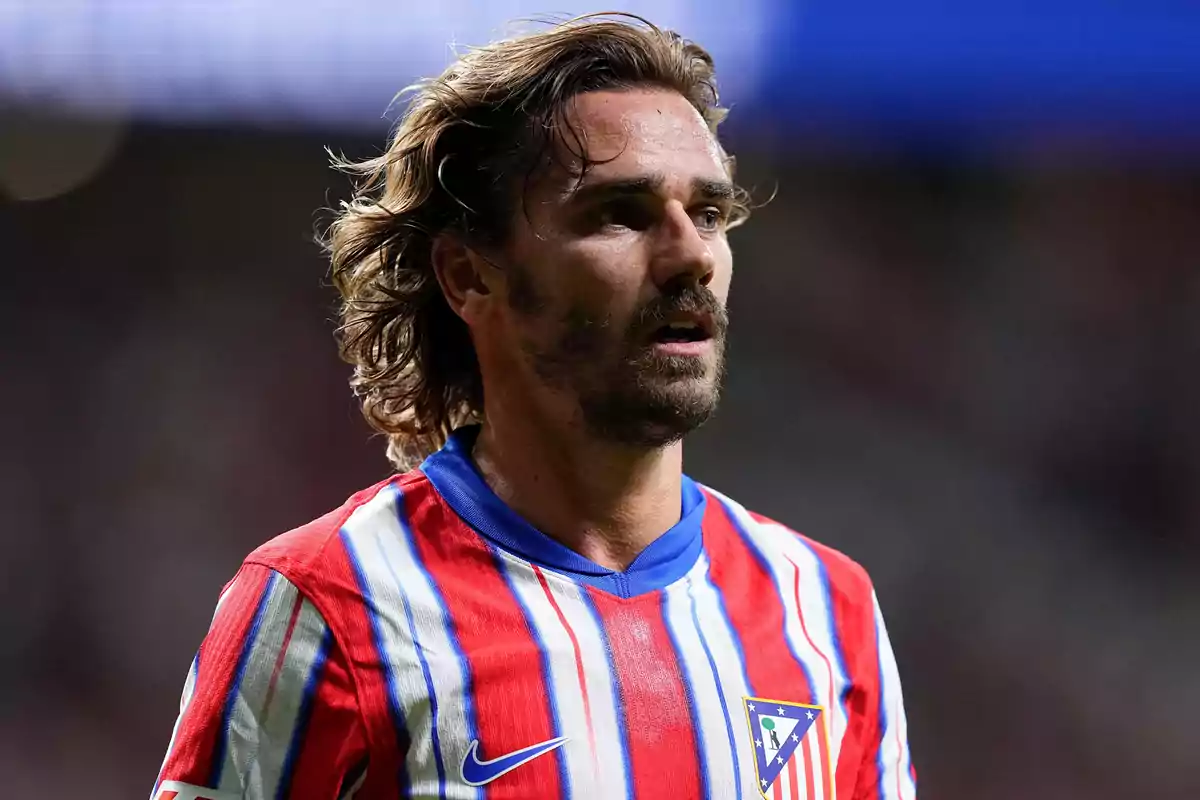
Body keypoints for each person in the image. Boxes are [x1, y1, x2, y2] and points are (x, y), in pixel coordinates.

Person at [150, 13, 916, 800]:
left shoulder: (827, 610)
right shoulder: (328, 604)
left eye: (710, 214)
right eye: (621, 213)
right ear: (470, 277)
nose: (692, 253)